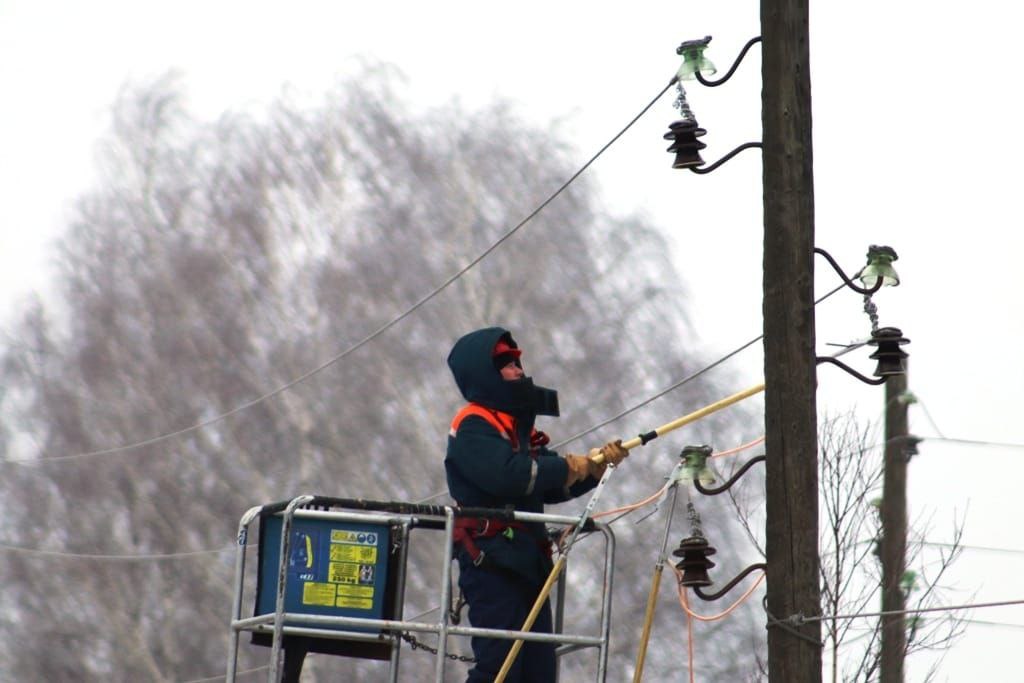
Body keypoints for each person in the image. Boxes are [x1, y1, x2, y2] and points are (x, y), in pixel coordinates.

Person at [445, 326, 628, 682]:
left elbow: (547, 487)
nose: (518, 370)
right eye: (507, 364)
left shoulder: (516, 431)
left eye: (517, 362)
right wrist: (566, 466)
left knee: (539, 671)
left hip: (527, 565)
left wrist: (592, 469)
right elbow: (510, 476)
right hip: (491, 563)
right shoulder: (473, 426)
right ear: (486, 374)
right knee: (500, 669)